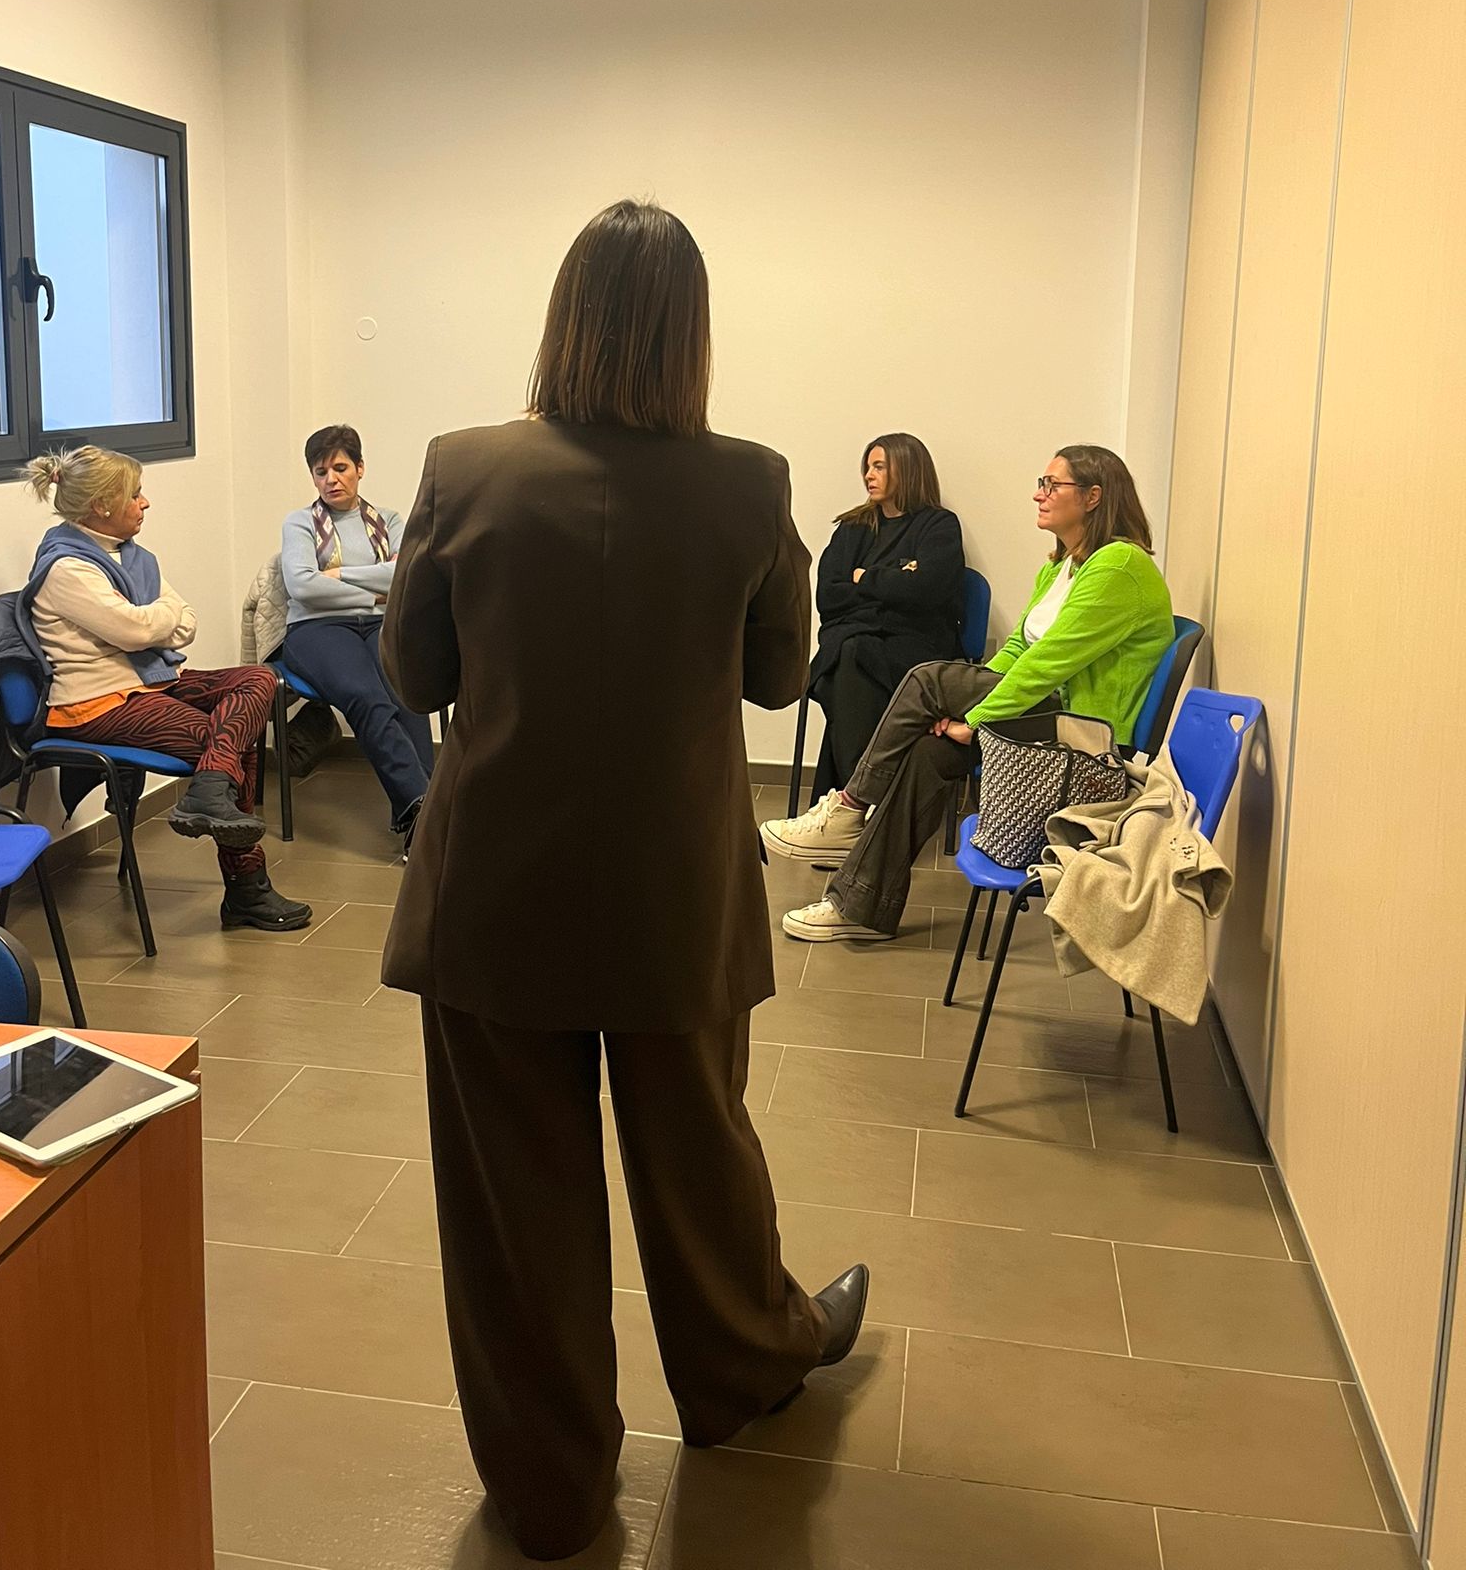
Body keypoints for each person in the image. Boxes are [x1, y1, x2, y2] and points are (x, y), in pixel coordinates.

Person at [378, 201, 868, 1561]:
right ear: (691, 334)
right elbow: (779, 675)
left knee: (512, 1198)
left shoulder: (461, 467)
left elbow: (414, 672)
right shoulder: (752, 482)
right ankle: (747, 1364)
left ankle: (550, 1489)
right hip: (676, 888)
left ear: (562, 318)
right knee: (703, 1146)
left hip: (493, 890)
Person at [761, 445, 1174, 943]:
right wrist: (964, 703)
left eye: (1052, 485)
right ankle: (860, 907)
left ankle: (850, 806)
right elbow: (1019, 648)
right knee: (928, 752)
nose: (1038, 495)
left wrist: (975, 717)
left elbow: (1046, 665)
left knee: (928, 679)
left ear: (1093, 497)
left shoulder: (1119, 565)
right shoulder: (1062, 566)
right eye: (1041, 484)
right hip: (1044, 721)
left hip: (1083, 741)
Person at [22, 446, 311, 933]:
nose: (145, 503)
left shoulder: (132, 557)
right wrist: (158, 618)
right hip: (95, 705)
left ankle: (209, 796)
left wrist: (152, 620)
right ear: (101, 506)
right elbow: (139, 630)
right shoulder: (67, 569)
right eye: (135, 495)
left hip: (151, 683)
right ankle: (246, 887)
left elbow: (185, 623)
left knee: (260, 678)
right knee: (228, 745)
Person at [280, 425, 434, 839]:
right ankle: (424, 815)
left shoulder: (389, 520)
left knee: (407, 693)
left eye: (340, 468)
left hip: (380, 623)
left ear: (360, 468)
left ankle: (424, 813)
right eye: (320, 472)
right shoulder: (300, 523)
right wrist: (374, 592)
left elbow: (406, 575)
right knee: (367, 697)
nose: (331, 479)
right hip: (316, 628)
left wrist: (340, 574)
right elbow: (302, 587)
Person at [807, 434, 965, 797]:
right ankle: (865, 797)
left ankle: (848, 800)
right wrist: (896, 577)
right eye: (867, 467)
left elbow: (927, 592)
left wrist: (864, 578)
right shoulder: (853, 527)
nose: (868, 475)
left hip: (914, 644)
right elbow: (828, 597)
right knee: (850, 654)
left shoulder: (938, 526)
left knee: (849, 666)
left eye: (879, 466)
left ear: (906, 469)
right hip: (851, 639)